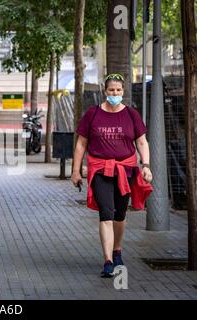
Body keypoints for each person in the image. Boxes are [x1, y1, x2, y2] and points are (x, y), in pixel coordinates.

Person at [71, 73, 153, 278]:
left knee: (120, 215)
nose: (114, 93)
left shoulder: (132, 115)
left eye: (118, 90)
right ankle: (108, 260)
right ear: (104, 91)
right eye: (111, 90)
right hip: (100, 170)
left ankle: (117, 250)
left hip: (125, 170)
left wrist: (146, 165)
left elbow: (142, 142)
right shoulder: (93, 114)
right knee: (106, 213)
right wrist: (75, 170)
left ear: (123, 91)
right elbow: (81, 143)